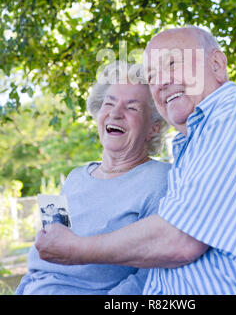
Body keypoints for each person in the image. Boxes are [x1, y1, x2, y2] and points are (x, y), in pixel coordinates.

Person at [35, 27, 236, 295]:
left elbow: (178, 240)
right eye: (152, 76)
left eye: (172, 63)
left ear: (217, 65)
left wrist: (75, 249)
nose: (161, 82)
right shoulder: (195, 145)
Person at [15, 61, 171, 295]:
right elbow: (46, 256)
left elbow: (150, 277)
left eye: (132, 108)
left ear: (154, 128)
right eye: (109, 103)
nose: (115, 113)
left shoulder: (162, 180)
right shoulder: (75, 177)